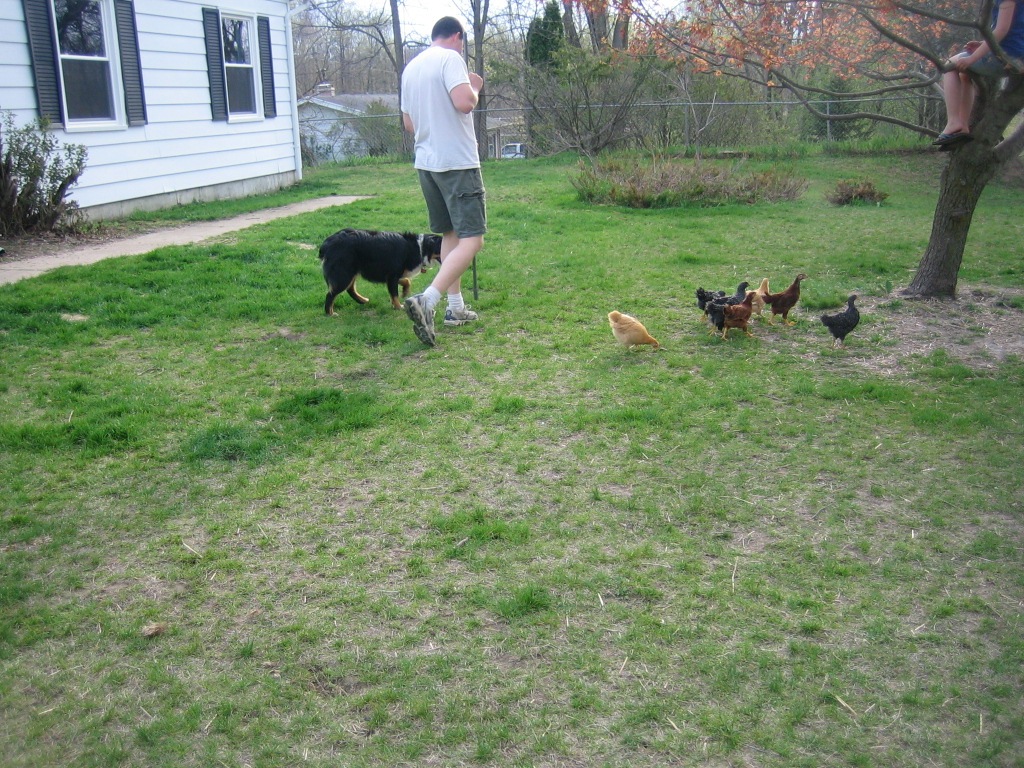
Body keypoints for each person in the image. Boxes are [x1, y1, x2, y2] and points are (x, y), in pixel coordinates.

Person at [400, 16, 486, 346]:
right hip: (457, 163)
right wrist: (474, 86)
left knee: (451, 234)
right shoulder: (450, 59)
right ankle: (428, 300)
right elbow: (464, 103)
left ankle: (456, 308)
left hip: (427, 164)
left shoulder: (411, 68)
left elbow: (409, 124)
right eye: (462, 43)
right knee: (473, 240)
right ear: (457, 37)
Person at [935, 0, 1024, 148]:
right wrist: (982, 45)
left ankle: (954, 122)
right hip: (1014, 56)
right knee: (964, 74)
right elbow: (1015, 29)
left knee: (950, 65)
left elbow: (1001, 30)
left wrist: (972, 58)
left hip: (1004, 58)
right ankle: (962, 127)